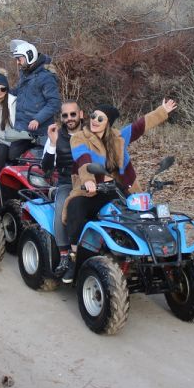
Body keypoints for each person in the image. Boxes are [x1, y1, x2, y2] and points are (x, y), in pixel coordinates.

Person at [60, 98, 178, 283]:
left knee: (143, 215)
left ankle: (156, 258)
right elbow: (84, 160)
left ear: (108, 124)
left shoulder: (117, 138)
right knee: (76, 207)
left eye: (100, 119)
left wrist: (162, 110)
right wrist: (89, 181)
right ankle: (73, 257)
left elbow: (140, 126)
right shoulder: (79, 137)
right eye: (93, 116)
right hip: (90, 189)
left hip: (118, 189)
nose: (94, 121)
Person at [40, 100, 84, 280]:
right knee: (61, 210)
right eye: (65, 115)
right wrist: (52, 143)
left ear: (81, 114)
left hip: (91, 181)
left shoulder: (92, 133)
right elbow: (46, 167)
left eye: (73, 114)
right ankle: (66, 256)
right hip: (67, 182)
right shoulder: (56, 136)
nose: (69, 118)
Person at [9, 40, 60, 160]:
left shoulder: (46, 77)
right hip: (22, 128)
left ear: (29, 56)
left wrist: (38, 119)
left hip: (38, 131)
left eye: (19, 59)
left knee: (15, 157)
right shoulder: (26, 74)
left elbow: (54, 103)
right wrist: (5, 92)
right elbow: (20, 92)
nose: (17, 63)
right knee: (9, 154)